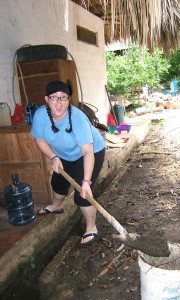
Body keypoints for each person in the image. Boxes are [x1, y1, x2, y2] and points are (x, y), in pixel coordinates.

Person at [31, 80, 105, 246]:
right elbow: (40, 140)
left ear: (68, 100)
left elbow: (87, 152)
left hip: (90, 153)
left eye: (63, 97)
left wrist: (86, 182)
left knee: (83, 195)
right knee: (58, 183)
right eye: (54, 97)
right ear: (46, 99)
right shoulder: (40, 116)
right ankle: (56, 206)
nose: (59, 102)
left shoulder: (78, 119)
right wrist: (53, 157)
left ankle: (91, 227)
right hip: (63, 154)